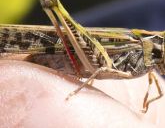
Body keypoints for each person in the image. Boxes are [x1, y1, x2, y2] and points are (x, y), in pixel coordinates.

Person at [1, 59, 165, 127]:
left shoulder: (150, 71)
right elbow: (103, 66)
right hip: (76, 56)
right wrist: (76, 91)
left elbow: (158, 92)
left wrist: (146, 103)